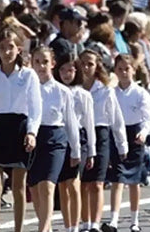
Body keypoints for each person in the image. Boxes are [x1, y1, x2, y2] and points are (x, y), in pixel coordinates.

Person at [0, 29, 42, 232]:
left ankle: (18, 229)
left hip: (19, 130)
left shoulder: (28, 75)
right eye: (2, 47)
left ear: (19, 49)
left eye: (11, 47)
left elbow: (35, 107)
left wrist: (32, 132)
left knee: (18, 186)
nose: (7, 52)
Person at [28, 47, 81, 232]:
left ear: (52, 64)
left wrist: (76, 150)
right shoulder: (27, 88)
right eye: (37, 62)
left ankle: (42, 229)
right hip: (32, 138)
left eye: (45, 62)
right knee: (34, 188)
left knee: (48, 186)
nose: (41, 66)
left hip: (55, 138)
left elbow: (70, 122)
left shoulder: (62, 91)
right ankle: (47, 226)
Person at [78, 49, 127, 232]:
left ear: (97, 65)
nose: (86, 67)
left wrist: (122, 145)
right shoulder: (75, 89)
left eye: (90, 64)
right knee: (83, 183)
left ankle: (95, 224)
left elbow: (116, 118)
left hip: (101, 134)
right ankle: (85, 222)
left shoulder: (105, 90)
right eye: (83, 63)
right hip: (82, 135)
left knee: (97, 182)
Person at [106, 54, 150, 232]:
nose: (124, 72)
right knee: (117, 179)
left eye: (127, 68)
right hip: (118, 135)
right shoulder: (111, 93)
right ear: (115, 71)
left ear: (133, 70)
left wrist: (143, 133)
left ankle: (134, 220)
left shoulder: (141, 93)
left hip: (135, 135)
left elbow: (148, 118)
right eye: (120, 69)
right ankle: (113, 220)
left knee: (134, 181)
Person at [55, 53, 95, 232]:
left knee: (73, 182)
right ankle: (68, 225)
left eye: (70, 70)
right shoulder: (56, 90)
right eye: (62, 70)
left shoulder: (83, 94)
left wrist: (92, 151)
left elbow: (89, 123)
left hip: (79, 138)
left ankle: (76, 227)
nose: (66, 74)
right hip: (60, 136)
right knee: (62, 185)